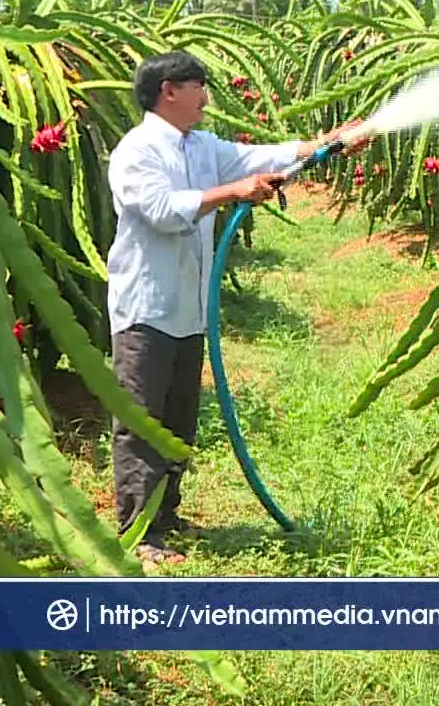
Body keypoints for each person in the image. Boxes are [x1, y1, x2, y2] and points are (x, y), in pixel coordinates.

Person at [104, 50, 367, 563]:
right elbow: (161, 210)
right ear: (169, 91)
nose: (206, 97)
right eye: (199, 85)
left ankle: (167, 516)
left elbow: (262, 159)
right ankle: (139, 536)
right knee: (141, 421)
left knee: (178, 421)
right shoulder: (136, 152)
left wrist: (330, 143)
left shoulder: (200, 146)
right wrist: (232, 192)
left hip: (189, 310)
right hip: (146, 309)